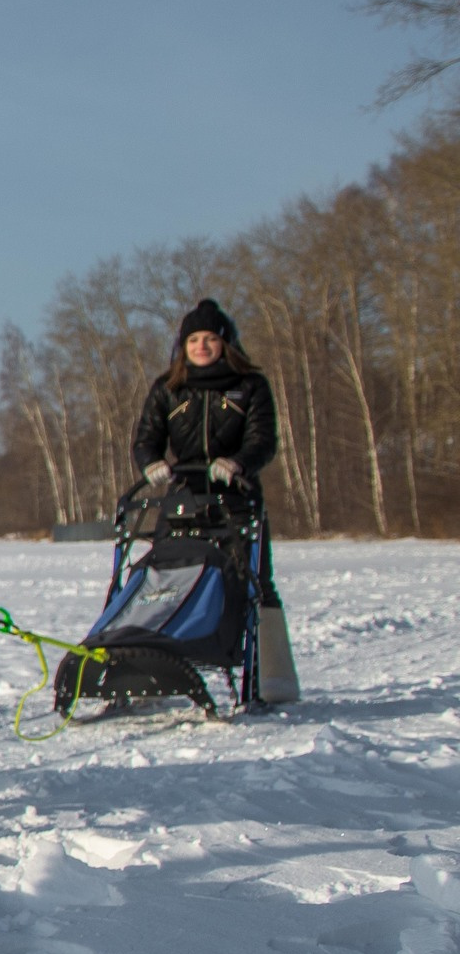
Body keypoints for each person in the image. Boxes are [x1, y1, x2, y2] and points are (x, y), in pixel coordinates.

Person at [129, 298, 297, 700]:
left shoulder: (250, 386)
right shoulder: (169, 388)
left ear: (225, 342)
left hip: (236, 497)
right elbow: (146, 438)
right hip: (183, 497)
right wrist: (151, 464)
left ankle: (274, 677)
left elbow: (263, 440)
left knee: (255, 581)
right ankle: (152, 666)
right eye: (193, 340)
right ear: (182, 346)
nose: (201, 346)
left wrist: (238, 463)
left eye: (209, 339)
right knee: (164, 576)